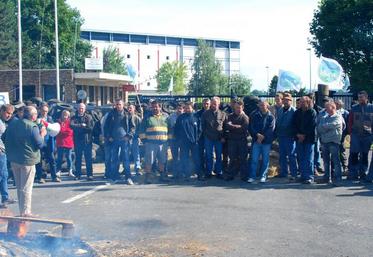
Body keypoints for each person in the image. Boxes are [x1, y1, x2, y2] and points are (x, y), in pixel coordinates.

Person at [4, 106, 46, 217]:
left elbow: (4, 138)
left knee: (19, 187)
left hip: (14, 159)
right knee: (26, 187)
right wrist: (42, 134)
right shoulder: (32, 126)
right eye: (36, 114)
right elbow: (40, 144)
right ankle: (26, 212)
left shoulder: (12, 124)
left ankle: (22, 211)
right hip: (27, 160)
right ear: (33, 116)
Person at [104, 99, 135, 184]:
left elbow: (133, 127)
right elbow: (106, 127)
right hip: (114, 140)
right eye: (117, 104)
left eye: (120, 104)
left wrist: (128, 136)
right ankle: (114, 178)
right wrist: (108, 136)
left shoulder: (128, 114)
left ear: (123, 105)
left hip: (124, 140)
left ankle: (128, 178)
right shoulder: (111, 114)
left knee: (126, 159)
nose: (118, 106)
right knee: (114, 159)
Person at [139, 100, 169, 184]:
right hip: (151, 143)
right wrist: (144, 141)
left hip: (163, 143)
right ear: (151, 107)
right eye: (154, 106)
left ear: (160, 107)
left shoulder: (166, 117)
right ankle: (148, 176)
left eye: (157, 106)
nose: (155, 108)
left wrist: (169, 141)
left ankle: (162, 176)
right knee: (149, 161)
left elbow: (170, 129)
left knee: (162, 160)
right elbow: (141, 130)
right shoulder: (147, 117)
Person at [317, 101, 345, 186]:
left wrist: (325, 126)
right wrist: (326, 127)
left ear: (333, 108)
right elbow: (319, 128)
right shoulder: (324, 117)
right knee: (325, 161)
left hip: (334, 142)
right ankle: (326, 177)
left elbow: (333, 125)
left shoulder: (338, 117)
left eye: (327, 107)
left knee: (336, 161)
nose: (325, 109)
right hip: (324, 142)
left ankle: (338, 178)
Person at [348, 91, 373, 181]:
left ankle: (363, 172)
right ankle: (353, 173)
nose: (359, 99)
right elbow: (350, 121)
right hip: (356, 135)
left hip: (368, 135)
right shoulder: (354, 108)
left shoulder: (371, 108)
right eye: (359, 97)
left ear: (366, 98)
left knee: (365, 154)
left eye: (361, 97)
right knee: (354, 154)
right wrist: (351, 132)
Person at [248, 101, 275, 183]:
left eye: (264, 105)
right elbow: (251, 127)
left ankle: (263, 176)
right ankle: (252, 176)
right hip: (256, 141)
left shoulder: (271, 117)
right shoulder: (254, 115)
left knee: (265, 160)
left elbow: (271, 129)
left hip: (266, 142)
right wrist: (257, 135)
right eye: (260, 105)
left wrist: (262, 137)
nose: (262, 106)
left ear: (267, 106)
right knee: (254, 159)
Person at [174, 102, 202, 181]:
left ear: (192, 108)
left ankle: (199, 174)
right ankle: (187, 174)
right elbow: (176, 130)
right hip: (184, 143)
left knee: (196, 159)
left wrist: (197, 139)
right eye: (185, 108)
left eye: (188, 108)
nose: (187, 109)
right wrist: (179, 140)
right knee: (184, 158)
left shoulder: (196, 117)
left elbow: (200, 130)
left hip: (194, 143)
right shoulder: (180, 118)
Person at [201, 96, 227, 179]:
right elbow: (202, 126)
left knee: (219, 156)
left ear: (218, 104)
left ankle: (218, 172)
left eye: (215, 104)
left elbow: (225, 127)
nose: (213, 105)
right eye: (212, 103)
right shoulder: (205, 113)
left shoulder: (223, 114)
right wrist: (206, 135)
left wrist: (223, 137)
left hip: (219, 138)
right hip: (208, 137)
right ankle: (209, 172)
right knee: (209, 156)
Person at [293, 96, 317, 184]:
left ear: (308, 102)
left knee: (309, 158)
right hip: (299, 139)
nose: (302, 103)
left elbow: (312, 125)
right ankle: (303, 176)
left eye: (304, 102)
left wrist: (304, 135)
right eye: (301, 102)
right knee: (301, 158)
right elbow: (294, 125)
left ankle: (309, 177)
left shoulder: (312, 112)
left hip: (309, 139)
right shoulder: (297, 113)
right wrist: (298, 135)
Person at [224, 100, 250, 181]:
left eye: (239, 108)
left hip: (242, 141)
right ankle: (231, 174)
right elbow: (227, 127)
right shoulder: (230, 116)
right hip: (232, 141)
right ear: (234, 108)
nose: (238, 109)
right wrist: (237, 126)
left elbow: (243, 129)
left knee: (243, 159)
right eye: (236, 108)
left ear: (242, 108)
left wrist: (233, 126)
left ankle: (244, 176)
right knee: (232, 158)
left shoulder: (245, 117)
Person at [275, 93, 298, 180]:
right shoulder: (280, 110)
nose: (286, 101)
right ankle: (283, 173)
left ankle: (294, 174)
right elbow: (277, 122)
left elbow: (296, 125)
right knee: (282, 155)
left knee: (292, 156)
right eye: (284, 99)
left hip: (290, 137)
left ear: (291, 101)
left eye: (288, 100)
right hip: (281, 136)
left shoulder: (294, 111)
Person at [70, 103, 95, 181]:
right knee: (78, 159)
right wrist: (81, 125)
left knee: (88, 159)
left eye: (82, 108)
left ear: (85, 109)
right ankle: (78, 175)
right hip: (77, 141)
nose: (81, 109)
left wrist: (80, 128)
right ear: (77, 109)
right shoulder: (74, 117)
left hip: (87, 141)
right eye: (80, 108)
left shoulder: (89, 117)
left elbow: (90, 128)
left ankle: (90, 175)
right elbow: (72, 126)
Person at [35, 104, 58, 183]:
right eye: (43, 111)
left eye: (46, 111)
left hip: (48, 142)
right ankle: (40, 177)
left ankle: (54, 176)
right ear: (40, 110)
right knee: (39, 161)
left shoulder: (50, 118)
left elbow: (54, 129)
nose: (44, 113)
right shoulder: (36, 119)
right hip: (39, 142)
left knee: (52, 160)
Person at [0, 104, 16, 208]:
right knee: (2, 175)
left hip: (3, 151)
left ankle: (5, 197)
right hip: (0, 152)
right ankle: (5, 197)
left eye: (10, 114)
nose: (9, 115)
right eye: (7, 113)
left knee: (4, 175)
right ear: (2, 111)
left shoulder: (3, 122)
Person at [167, 102, 184, 179]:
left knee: (183, 157)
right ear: (176, 109)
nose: (179, 110)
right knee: (175, 157)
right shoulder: (171, 117)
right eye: (178, 108)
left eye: (181, 108)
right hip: (173, 140)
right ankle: (175, 173)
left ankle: (182, 172)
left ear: (183, 109)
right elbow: (169, 128)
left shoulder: (185, 116)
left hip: (183, 140)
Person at [56, 110, 75, 179]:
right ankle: (58, 171)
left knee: (68, 157)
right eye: (63, 114)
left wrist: (61, 132)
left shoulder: (71, 122)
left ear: (68, 116)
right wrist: (62, 132)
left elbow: (70, 132)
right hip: (60, 142)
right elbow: (56, 131)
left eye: (66, 114)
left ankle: (70, 171)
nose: (64, 116)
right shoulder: (58, 122)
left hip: (68, 142)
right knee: (59, 157)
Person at [195, 98, 210, 177]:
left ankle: (209, 171)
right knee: (200, 155)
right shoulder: (198, 114)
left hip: (210, 137)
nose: (206, 105)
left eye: (207, 103)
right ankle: (201, 170)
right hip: (200, 138)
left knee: (209, 155)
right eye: (204, 103)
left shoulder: (212, 112)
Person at [335, 99, 349, 175]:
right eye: (336, 103)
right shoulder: (332, 112)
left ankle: (345, 167)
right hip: (334, 136)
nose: (336, 105)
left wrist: (345, 134)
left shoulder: (345, 113)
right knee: (334, 152)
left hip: (342, 135)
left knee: (342, 150)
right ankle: (335, 168)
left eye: (338, 104)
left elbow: (347, 124)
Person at [128, 104, 142, 176]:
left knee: (136, 155)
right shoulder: (125, 117)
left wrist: (139, 137)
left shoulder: (137, 118)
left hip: (135, 139)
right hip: (127, 139)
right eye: (128, 108)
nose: (129, 109)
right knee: (126, 155)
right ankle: (126, 169)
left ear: (134, 109)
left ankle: (137, 168)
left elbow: (140, 128)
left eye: (131, 108)